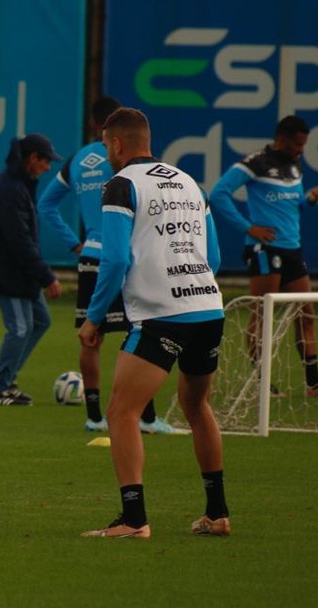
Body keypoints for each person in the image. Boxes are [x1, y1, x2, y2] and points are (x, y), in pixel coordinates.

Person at [79, 108, 229, 538]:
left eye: (107, 145)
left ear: (117, 144)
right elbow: (213, 258)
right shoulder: (188, 182)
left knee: (121, 411)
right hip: (207, 309)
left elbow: (116, 258)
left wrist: (93, 319)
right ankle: (217, 513)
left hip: (161, 316)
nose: (107, 152)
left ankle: (133, 520)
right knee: (197, 407)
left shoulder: (120, 185)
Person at [39, 96, 176, 433]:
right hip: (128, 256)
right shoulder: (130, 160)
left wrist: (74, 241)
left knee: (90, 337)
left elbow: (46, 205)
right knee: (141, 333)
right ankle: (146, 418)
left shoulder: (77, 160)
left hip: (91, 257)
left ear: (93, 124)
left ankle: (94, 415)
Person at [210, 116, 318, 396]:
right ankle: (262, 382)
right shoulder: (255, 162)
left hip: (292, 249)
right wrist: (248, 227)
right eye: (298, 144)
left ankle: (313, 384)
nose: (301, 150)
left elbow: (293, 206)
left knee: (306, 315)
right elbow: (218, 194)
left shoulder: (294, 165)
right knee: (262, 315)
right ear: (283, 139)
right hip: (264, 249)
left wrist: (310, 199)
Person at [0, 133, 63, 405]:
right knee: (20, 329)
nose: (48, 168)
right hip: (6, 274)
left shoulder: (21, 184)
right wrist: (46, 276)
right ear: (33, 158)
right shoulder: (10, 190)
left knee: (40, 321)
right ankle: (0, 388)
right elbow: (19, 241)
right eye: (45, 161)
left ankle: (6, 378)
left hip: (19, 273)